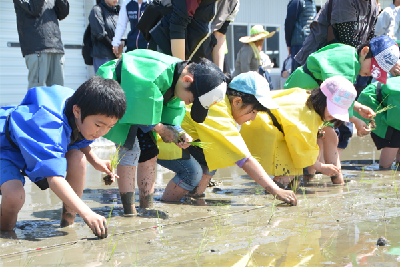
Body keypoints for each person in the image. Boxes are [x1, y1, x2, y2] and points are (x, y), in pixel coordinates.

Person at [97, 49, 228, 216]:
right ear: (188, 79)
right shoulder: (158, 74)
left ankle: (146, 206)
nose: (188, 104)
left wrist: (177, 131)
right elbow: (139, 107)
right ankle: (129, 210)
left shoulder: (179, 82)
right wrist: (162, 129)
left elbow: (170, 113)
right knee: (130, 148)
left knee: (150, 151)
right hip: (116, 90)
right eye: (192, 100)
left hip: (138, 104)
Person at [0, 76, 127, 238]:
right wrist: (87, 213)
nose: (102, 132)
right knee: (14, 196)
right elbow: (54, 178)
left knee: (78, 158)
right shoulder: (49, 124)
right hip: (7, 147)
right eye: (98, 125)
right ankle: (6, 234)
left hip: (35, 143)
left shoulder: (82, 106)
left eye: (110, 127)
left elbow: (78, 139)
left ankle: (68, 221)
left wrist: (95, 160)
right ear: (77, 111)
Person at [157, 72, 298, 206]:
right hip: (164, 138)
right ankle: (169, 203)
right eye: (253, 112)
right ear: (237, 102)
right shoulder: (217, 109)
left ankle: (195, 196)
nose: (253, 119)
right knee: (192, 172)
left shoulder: (224, 105)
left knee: (215, 154)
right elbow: (244, 159)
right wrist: (276, 190)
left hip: (182, 140)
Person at [285, 36, 400, 183]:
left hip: (313, 96)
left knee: (321, 140)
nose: (371, 74)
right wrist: (356, 120)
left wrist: (358, 108)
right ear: (365, 51)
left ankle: (309, 180)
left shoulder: (349, 55)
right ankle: (337, 182)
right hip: (303, 95)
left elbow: (336, 93)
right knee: (329, 137)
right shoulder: (347, 62)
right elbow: (338, 94)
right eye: (373, 68)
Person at [241, 76, 356, 187]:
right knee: (292, 168)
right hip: (262, 130)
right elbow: (302, 152)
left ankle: (290, 193)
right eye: (332, 109)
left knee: (296, 169)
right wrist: (321, 167)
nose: (333, 115)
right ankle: (275, 193)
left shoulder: (303, 94)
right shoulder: (308, 116)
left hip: (254, 123)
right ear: (322, 99)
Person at [147, 0, 239, 67]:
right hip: (165, 49)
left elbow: (219, 34)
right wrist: (181, 70)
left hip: (197, 57)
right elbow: (178, 25)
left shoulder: (234, 3)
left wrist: (219, 74)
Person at [13, 0, 69, 89]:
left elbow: (63, 13)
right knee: (37, 91)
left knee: (58, 91)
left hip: (56, 47)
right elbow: (35, 9)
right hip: (37, 48)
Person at [356, 77, 400, 169]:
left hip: (390, 103)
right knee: (393, 138)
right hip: (371, 101)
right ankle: (385, 170)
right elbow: (395, 120)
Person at [284, 0, 317, 71]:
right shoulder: (312, 3)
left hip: (298, 43)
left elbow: (289, 23)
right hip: (311, 42)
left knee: (297, 72)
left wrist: (288, 43)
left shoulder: (296, 1)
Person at [89, 0, 121, 73]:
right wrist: (115, 48)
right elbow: (100, 34)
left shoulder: (118, 11)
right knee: (105, 83)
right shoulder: (97, 10)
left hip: (117, 56)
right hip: (103, 56)